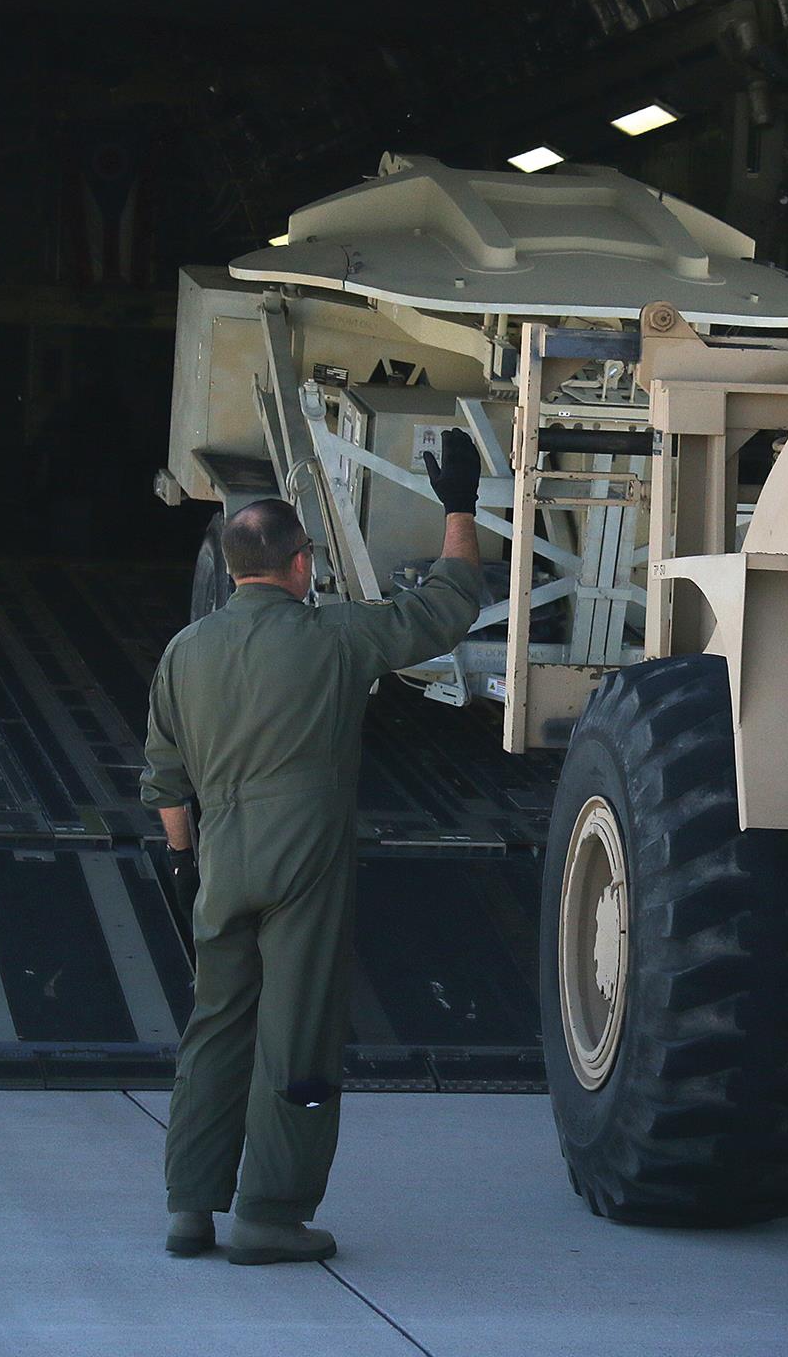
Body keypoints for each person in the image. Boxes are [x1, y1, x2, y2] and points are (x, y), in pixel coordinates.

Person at [143, 433, 484, 1266]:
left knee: (215, 1028)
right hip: (305, 865)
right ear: (300, 564)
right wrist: (459, 506)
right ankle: (269, 1214)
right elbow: (447, 606)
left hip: (218, 863)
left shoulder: (185, 651)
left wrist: (184, 862)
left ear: (231, 570)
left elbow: (162, 778)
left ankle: (190, 1208)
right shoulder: (333, 636)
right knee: (295, 1034)